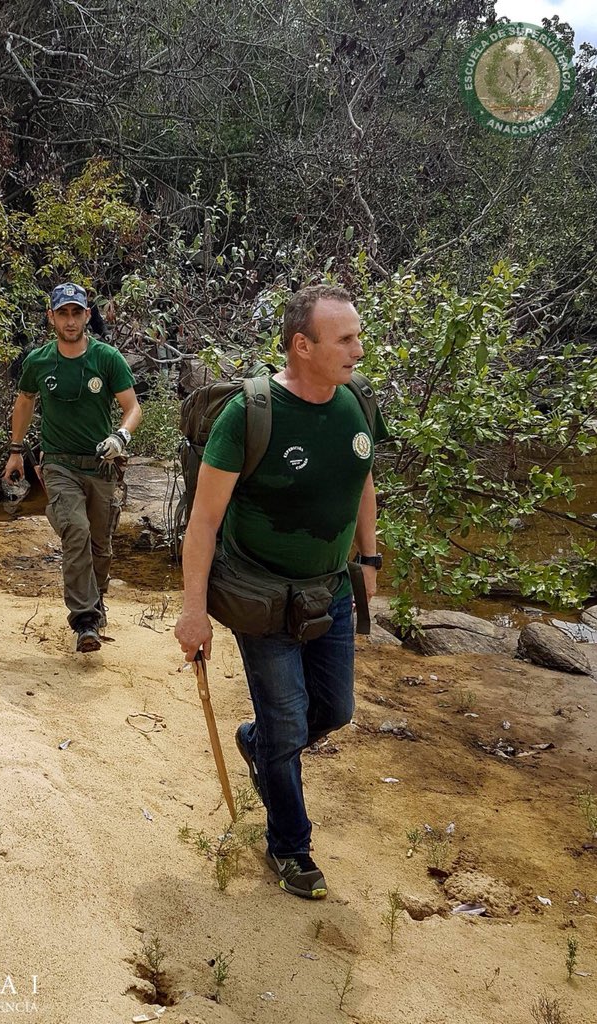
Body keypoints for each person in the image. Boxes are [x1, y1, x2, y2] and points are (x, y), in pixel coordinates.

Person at [174, 284, 389, 899]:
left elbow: (362, 480)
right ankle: (290, 847)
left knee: (335, 710)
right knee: (288, 722)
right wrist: (194, 612)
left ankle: (258, 743)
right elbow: (204, 522)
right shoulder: (249, 415)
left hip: (331, 591)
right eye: (345, 339)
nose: (359, 349)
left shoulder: (357, 402)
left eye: (357, 336)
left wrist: (369, 557)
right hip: (261, 596)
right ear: (302, 345)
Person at [3, 282, 142, 654]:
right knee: (75, 531)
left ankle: (96, 601)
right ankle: (84, 621)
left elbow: (132, 408)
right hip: (58, 463)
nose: (69, 320)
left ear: (86, 315)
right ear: (51, 317)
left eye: (76, 313)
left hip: (101, 464)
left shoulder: (107, 358)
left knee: (100, 546)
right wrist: (15, 451)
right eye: (62, 313)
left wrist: (120, 437)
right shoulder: (39, 361)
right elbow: (25, 401)